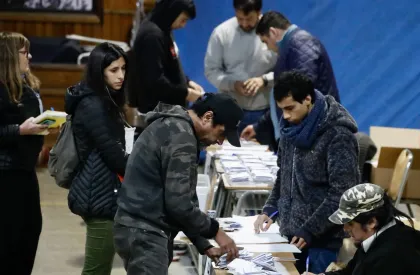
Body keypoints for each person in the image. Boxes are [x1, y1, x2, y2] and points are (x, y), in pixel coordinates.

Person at [113, 93, 243, 275]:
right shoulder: (181, 137)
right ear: (208, 117)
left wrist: (202, 243)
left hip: (142, 229)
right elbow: (179, 205)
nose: (220, 141)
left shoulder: (177, 128)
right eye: (221, 133)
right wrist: (217, 232)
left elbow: (183, 198)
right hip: (144, 232)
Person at [253, 71, 359, 273]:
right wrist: (270, 209)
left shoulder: (338, 136)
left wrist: (311, 230)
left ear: (308, 100)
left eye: (290, 108)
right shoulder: (289, 131)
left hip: (322, 243)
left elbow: (343, 195)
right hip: (289, 237)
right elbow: (283, 176)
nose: (285, 116)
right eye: (281, 110)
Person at [65, 43, 130, 275]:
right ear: (98, 71)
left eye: (123, 68)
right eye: (114, 70)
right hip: (100, 196)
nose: (121, 75)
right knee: (96, 270)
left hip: (103, 190)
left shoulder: (105, 100)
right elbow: (114, 156)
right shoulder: (93, 105)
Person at [241, 11, 340, 152]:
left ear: (273, 32)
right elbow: (286, 100)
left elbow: (299, 95)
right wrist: (259, 127)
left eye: (265, 41)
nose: (267, 47)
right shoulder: (292, 46)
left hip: (314, 136)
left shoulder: (300, 44)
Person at [0, 31, 51, 275]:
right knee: (10, 242)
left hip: (24, 171)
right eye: (23, 52)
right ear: (10, 56)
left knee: (30, 233)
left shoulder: (25, 85)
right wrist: (19, 130)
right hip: (6, 175)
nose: (29, 56)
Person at [303, 183, 420, 275]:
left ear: (371, 222)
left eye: (350, 223)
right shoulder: (378, 238)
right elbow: (350, 272)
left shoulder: (390, 257)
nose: (345, 228)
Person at [127, 0, 204, 136]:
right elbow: (155, 81)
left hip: (168, 115)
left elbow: (170, 66)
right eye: (183, 20)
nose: (183, 25)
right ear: (172, 12)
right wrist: (187, 93)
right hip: (158, 118)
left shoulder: (164, 29)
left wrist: (187, 83)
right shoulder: (152, 35)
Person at [204, 0, 276, 132]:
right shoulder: (221, 33)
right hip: (229, 111)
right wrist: (232, 84)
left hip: (265, 113)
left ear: (259, 12)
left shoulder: (273, 33)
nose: (244, 23)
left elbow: (285, 70)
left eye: (249, 19)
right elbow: (211, 70)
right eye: (240, 18)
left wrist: (264, 80)